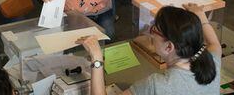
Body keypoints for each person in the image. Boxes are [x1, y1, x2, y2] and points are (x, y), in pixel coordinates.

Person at [77, 5, 222, 95]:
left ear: (169, 47)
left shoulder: (157, 85)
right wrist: (201, 17)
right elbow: (215, 44)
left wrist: (97, 59)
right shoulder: (211, 62)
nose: (150, 32)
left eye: (154, 29)